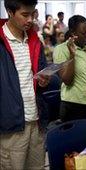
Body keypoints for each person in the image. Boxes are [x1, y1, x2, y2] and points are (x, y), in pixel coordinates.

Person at [0, 0, 50, 169]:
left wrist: (44, 80)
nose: (30, 19)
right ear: (9, 12)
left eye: (33, 14)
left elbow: (41, 72)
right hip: (11, 125)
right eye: (25, 14)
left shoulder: (34, 40)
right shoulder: (2, 42)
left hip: (36, 120)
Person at [53, 15, 86, 129]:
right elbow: (67, 80)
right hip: (72, 106)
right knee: (73, 144)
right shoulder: (61, 49)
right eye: (84, 33)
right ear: (73, 33)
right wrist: (72, 55)